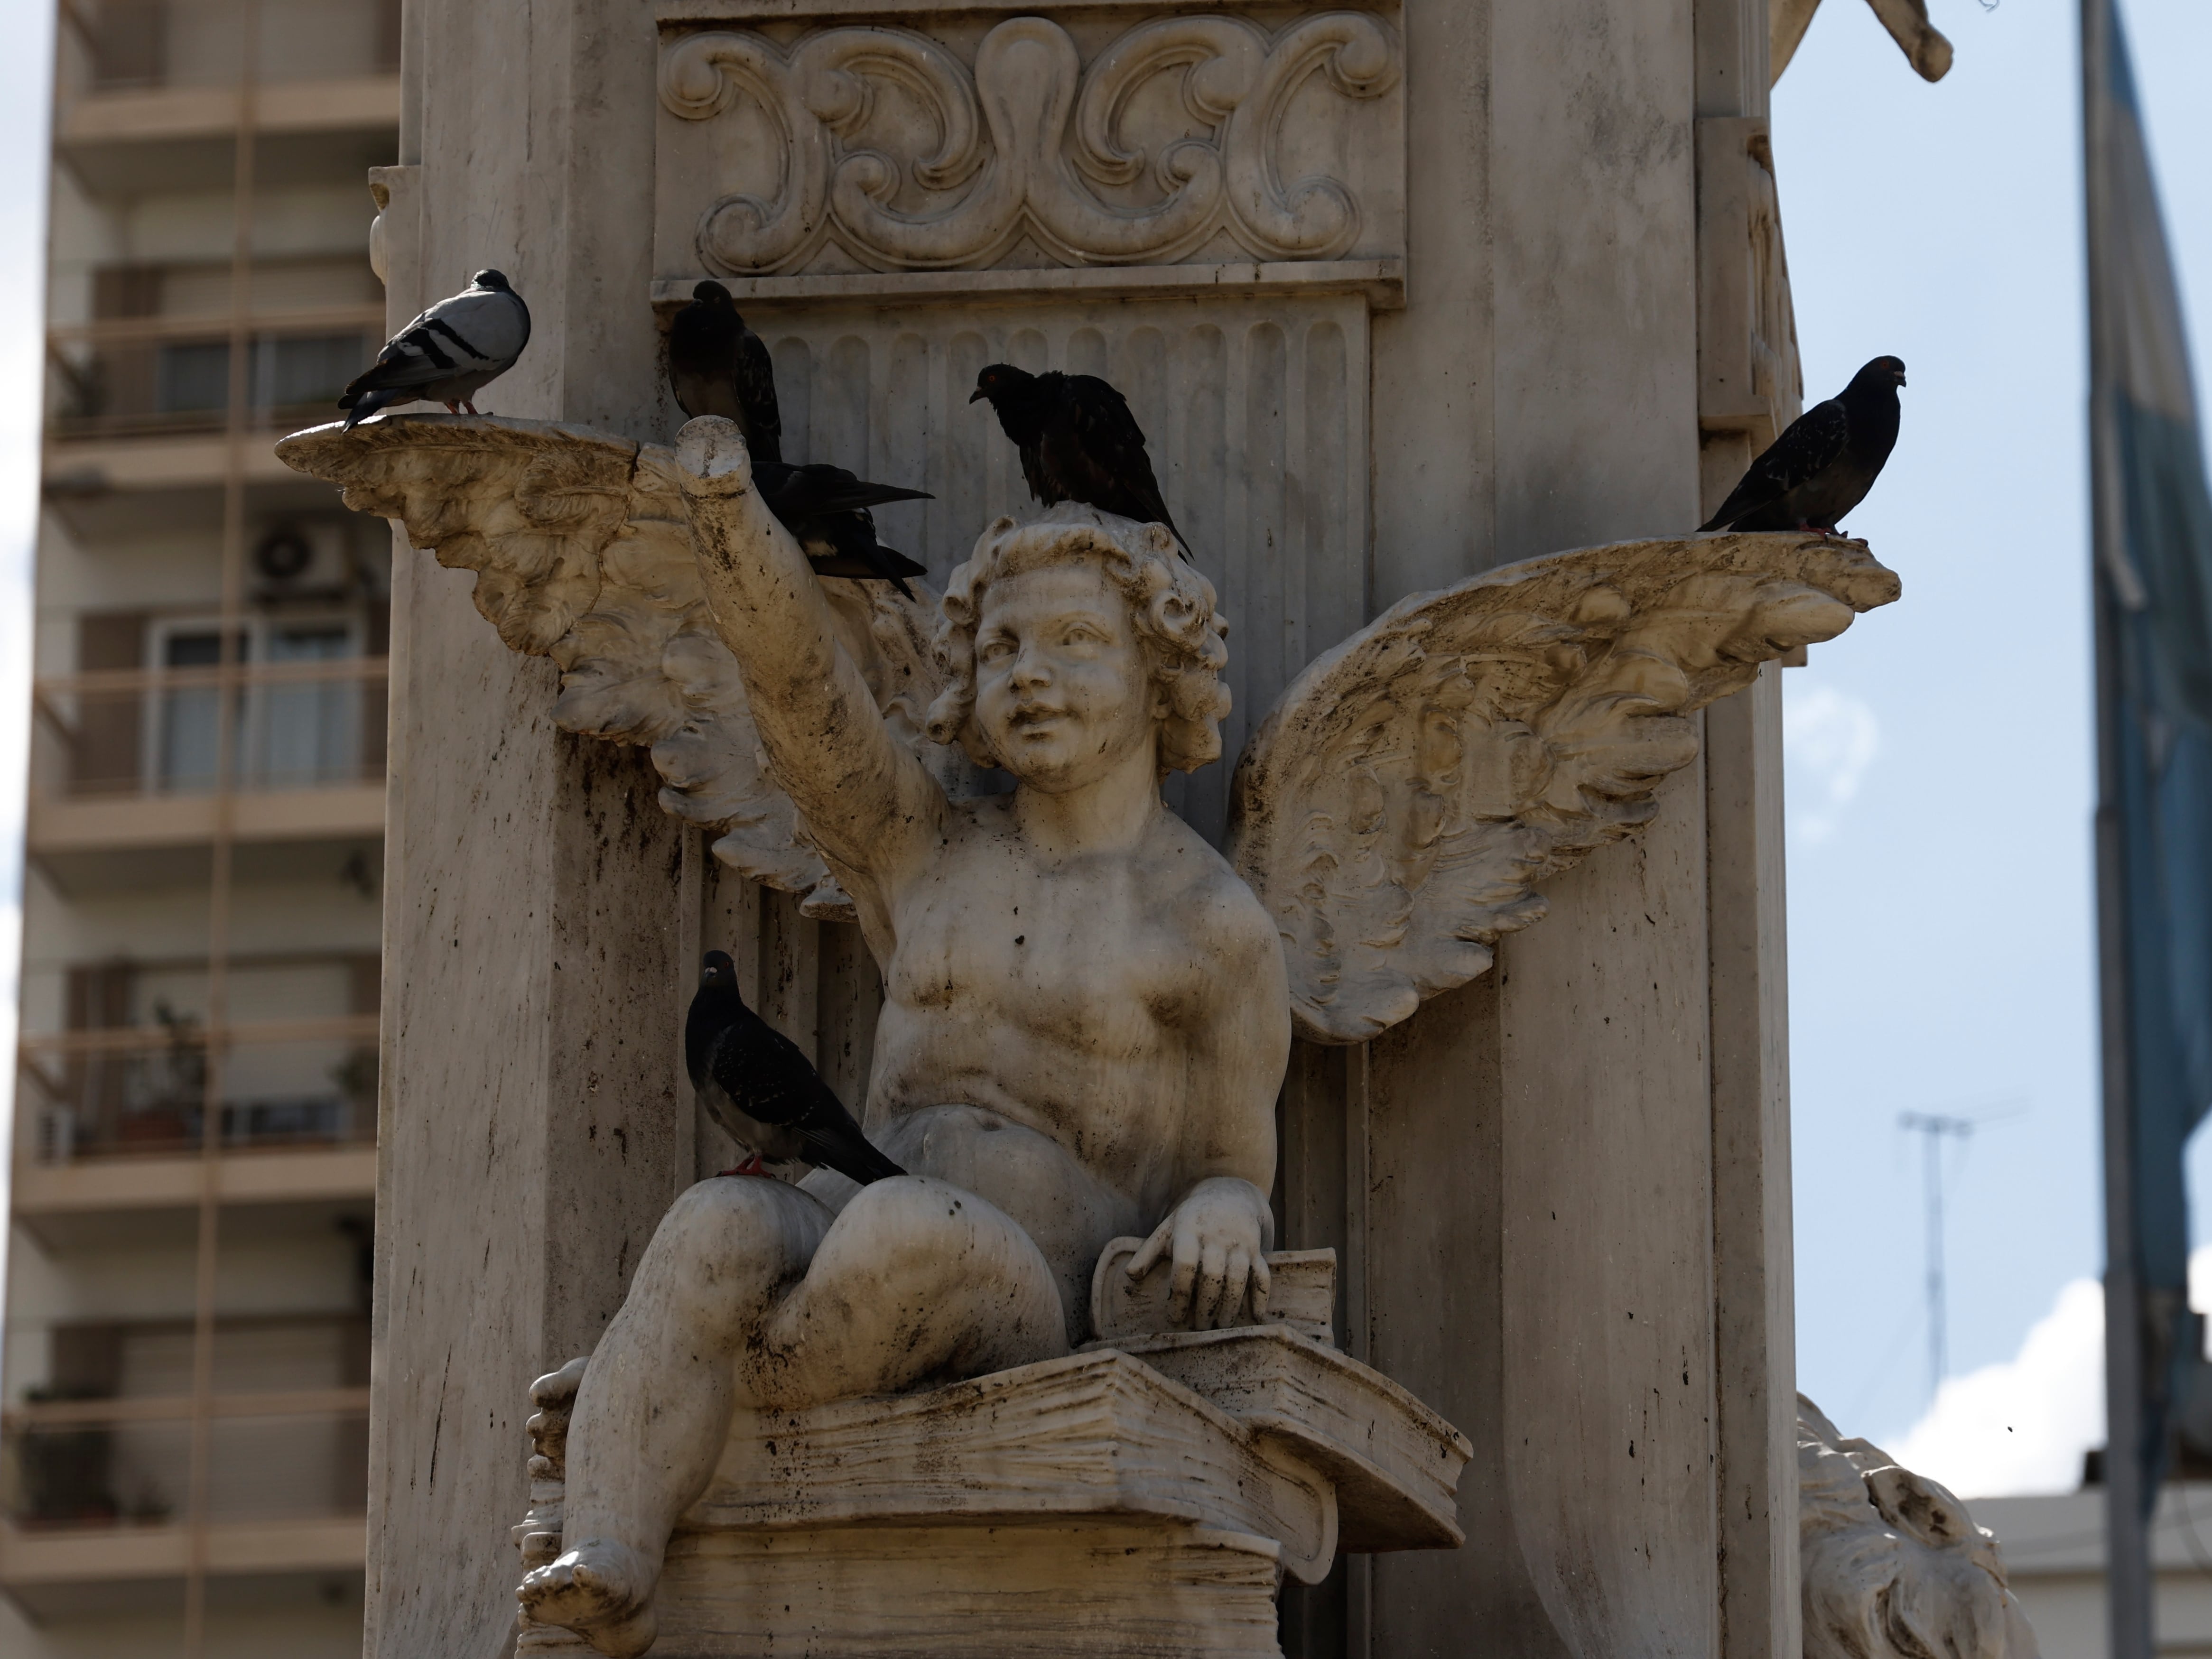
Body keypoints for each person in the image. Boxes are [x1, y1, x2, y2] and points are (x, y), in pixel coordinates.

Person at [520, 417, 1290, 1655]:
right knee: (712, 1221)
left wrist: (1222, 1212)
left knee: (899, 1233)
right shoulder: (925, 857)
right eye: (1000, 649)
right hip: (857, 1207)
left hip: (1035, 1275)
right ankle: (610, 1549)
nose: (1029, 673)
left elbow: (1237, 1165)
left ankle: (688, 1395)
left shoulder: (1212, 926)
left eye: (1076, 644)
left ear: (1162, 671)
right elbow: (804, 700)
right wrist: (732, 522)